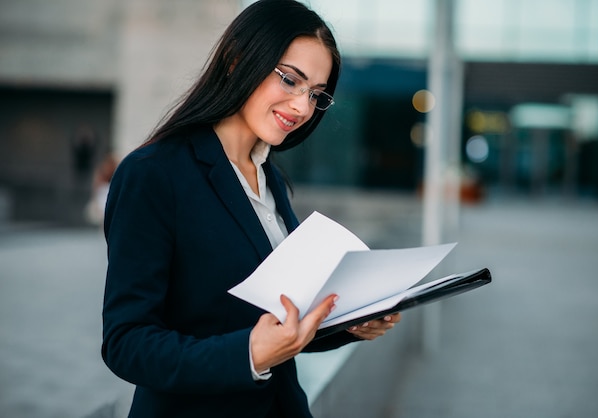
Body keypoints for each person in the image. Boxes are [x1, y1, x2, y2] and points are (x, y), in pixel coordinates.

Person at [101, 1, 401, 417]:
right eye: (290, 80)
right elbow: (126, 342)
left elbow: (276, 316)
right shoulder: (154, 174)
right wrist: (248, 355)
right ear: (238, 59)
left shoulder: (269, 178)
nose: (301, 107)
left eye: (316, 94)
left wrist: (347, 324)